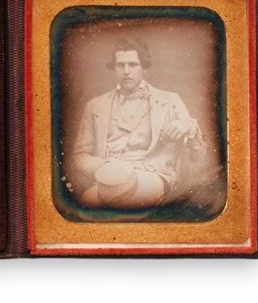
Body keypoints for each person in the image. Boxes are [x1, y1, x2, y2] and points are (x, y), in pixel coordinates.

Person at [71, 37, 204, 210]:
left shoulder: (170, 101)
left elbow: (198, 157)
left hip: (152, 176)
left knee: (119, 207)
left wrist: (190, 127)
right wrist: (105, 167)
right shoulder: (95, 106)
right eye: (120, 65)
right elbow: (80, 156)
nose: (126, 71)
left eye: (133, 65)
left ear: (144, 68)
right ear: (114, 68)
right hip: (111, 180)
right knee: (87, 203)